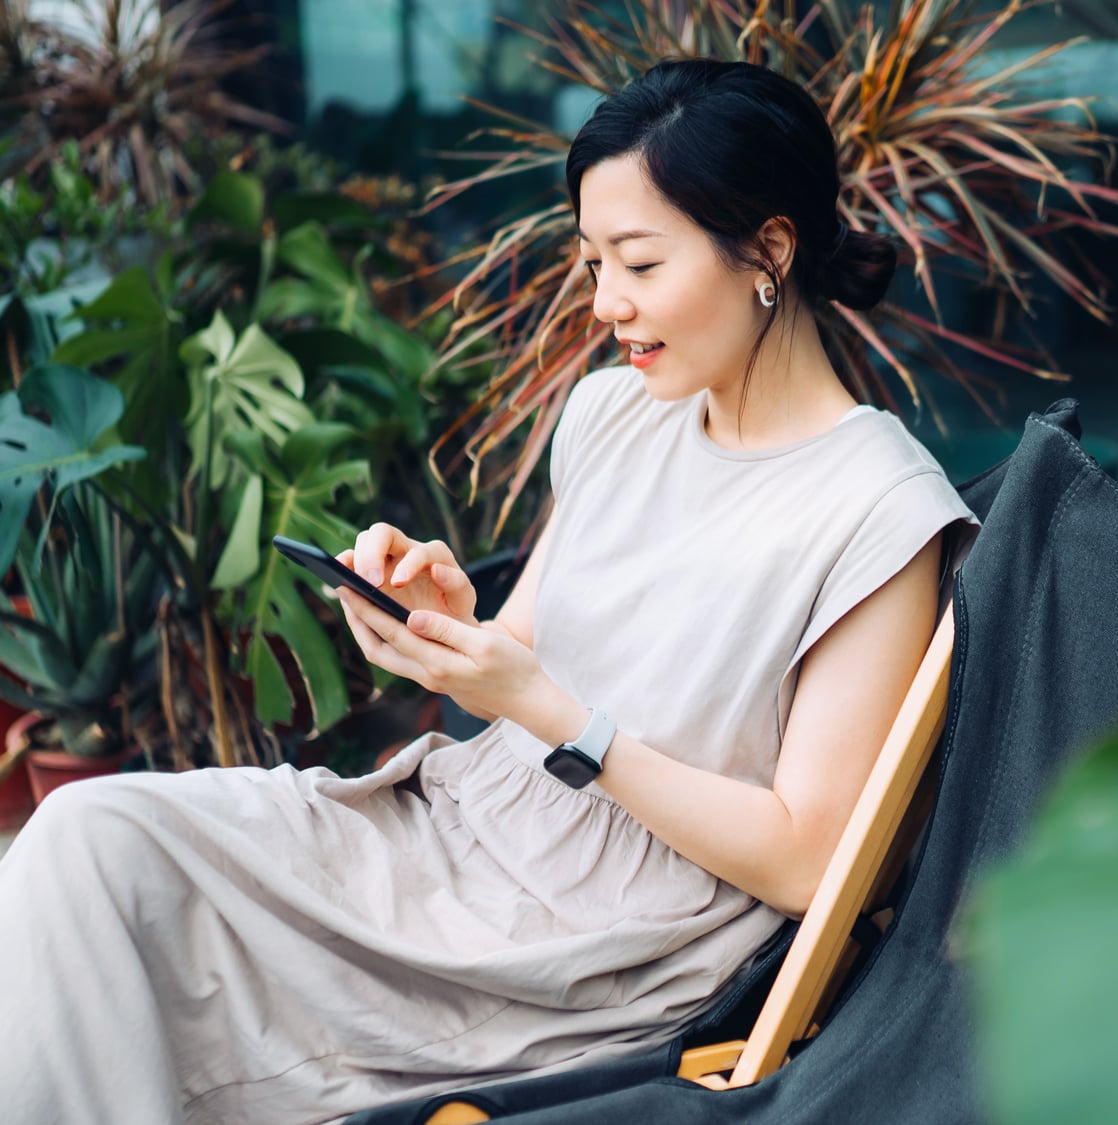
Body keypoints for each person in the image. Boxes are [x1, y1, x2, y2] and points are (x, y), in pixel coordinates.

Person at [0, 59, 976, 1124]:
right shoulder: (615, 416)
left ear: (769, 254)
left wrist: (555, 715)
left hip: (593, 944)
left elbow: (814, 863)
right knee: (92, 839)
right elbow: (515, 669)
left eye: (639, 264)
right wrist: (439, 627)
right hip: (458, 831)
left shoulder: (877, 513)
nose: (606, 303)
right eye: (592, 260)